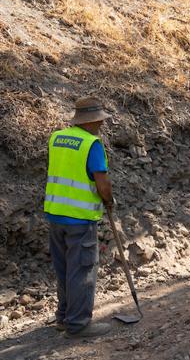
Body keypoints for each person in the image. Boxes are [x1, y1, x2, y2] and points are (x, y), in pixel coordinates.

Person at [44, 96, 114, 338]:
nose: (101, 125)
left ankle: (63, 318)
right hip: (80, 219)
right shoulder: (91, 144)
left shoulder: (57, 138)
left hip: (55, 215)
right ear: (90, 121)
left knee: (64, 270)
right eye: (99, 121)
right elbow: (102, 183)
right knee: (82, 270)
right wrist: (109, 202)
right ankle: (79, 324)